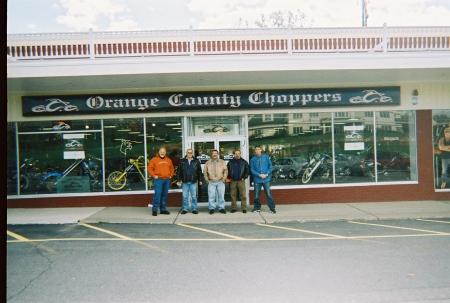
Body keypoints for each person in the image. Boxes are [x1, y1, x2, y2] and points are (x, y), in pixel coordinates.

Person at [148, 147, 174, 216]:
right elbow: (150, 169)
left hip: (167, 180)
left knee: (164, 195)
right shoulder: (154, 160)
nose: (162, 153)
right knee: (157, 195)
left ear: (165, 153)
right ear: (159, 152)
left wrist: (171, 175)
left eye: (164, 152)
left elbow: (172, 168)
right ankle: (155, 210)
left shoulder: (168, 160)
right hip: (158, 180)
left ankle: (163, 209)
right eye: (161, 152)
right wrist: (154, 175)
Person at [250, 145, 276, 214]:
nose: (257, 150)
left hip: (266, 179)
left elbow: (270, 166)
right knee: (256, 195)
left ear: (261, 150)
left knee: (268, 194)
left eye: (259, 149)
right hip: (257, 180)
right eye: (256, 149)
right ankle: (257, 207)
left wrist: (267, 174)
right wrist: (259, 175)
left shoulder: (266, 157)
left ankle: (272, 208)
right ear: (255, 151)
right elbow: (252, 170)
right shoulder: (253, 159)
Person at [176, 148, 202, 214]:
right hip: (185, 182)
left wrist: (200, 180)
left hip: (193, 181)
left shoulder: (196, 161)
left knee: (194, 196)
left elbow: (199, 171)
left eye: (191, 153)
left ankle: (194, 209)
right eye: (188, 153)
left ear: (192, 153)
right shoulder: (182, 161)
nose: (189, 154)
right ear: (186, 153)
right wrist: (178, 180)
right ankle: (185, 209)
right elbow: (178, 171)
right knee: (185, 196)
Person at [203, 149, 228, 214]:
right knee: (211, 196)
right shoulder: (208, 162)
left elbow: (225, 171)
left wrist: (223, 179)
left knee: (221, 196)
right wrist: (207, 180)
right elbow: (205, 172)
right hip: (211, 182)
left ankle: (221, 208)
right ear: (211, 155)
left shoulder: (222, 162)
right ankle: (212, 208)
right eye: (213, 153)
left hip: (220, 181)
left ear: (218, 154)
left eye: (215, 153)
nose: (214, 154)